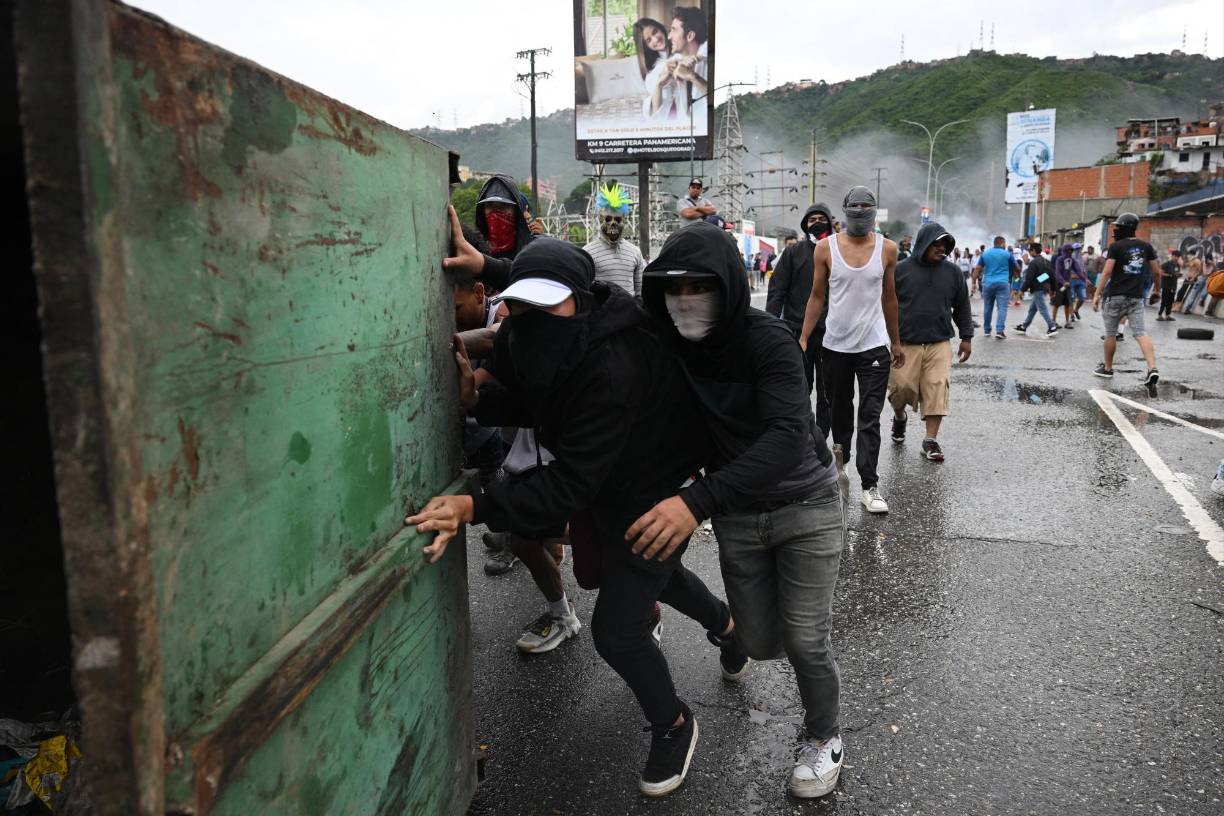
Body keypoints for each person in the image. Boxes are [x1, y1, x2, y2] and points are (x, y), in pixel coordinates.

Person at [408, 238, 745, 798]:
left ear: (581, 301)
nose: (534, 317)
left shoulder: (613, 363)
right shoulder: (533, 334)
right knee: (655, 574)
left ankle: (674, 724)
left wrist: (476, 506)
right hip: (611, 476)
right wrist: (479, 401)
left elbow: (567, 485)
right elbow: (543, 400)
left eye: (550, 304)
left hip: (660, 488)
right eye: (523, 305)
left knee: (617, 630)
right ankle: (728, 627)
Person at [634, 221, 848, 800]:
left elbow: (786, 438)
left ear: (728, 285)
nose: (686, 301)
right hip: (739, 515)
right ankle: (741, 637)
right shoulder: (668, 338)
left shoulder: (769, 341)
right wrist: (501, 274)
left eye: (699, 287)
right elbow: (597, 312)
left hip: (806, 505)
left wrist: (695, 501)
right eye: (674, 289)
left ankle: (823, 735)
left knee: (805, 640)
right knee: (757, 642)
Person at [799, 185, 903, 515]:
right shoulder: (825, 248)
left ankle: (870, 486)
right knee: (839, 410)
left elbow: (890, 298)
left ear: (874, 212)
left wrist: (896, 341)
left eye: (866, 208)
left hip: (873, 345)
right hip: (836, 345)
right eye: (854, 207)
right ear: (843, 212)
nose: (860, 213)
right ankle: (839, 467)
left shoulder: (887, 249)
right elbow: (817, 296)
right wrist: (804, 337)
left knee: (870, 416)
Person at [888, 223, 973, 462]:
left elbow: (962, 305)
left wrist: (966, 337)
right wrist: (891, 340)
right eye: (936, 244)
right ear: (923, 243)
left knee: (937, 387)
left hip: (939, 342)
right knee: (900, 389)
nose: (942, 248)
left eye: (945, 244)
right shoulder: (900, 270)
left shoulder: (953, 272)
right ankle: (900, 418)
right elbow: (886, 305)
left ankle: (930, 440)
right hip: (905, 343)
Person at [767, 203, 836, 433]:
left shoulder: (838, 252)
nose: (817, 223)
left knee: (828, 392)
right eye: (811, 220)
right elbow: (777, 290)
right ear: (805, 225)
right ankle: (803, 435)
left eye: (821, 219)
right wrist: (771, 326)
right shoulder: (793, 253)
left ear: (830, 222)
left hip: (830, 335)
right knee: (799, 389)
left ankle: (822, 437)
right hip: (797, 333)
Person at [1091, 212, 1160, 390]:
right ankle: (1152, 368)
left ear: (1124, 228)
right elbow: (1156, 272)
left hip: (1114, 296)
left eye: (1118, 226)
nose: (1116, 229)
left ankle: (1108, 368)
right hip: (1136, 297)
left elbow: (1107, 272)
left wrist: (1097, 294)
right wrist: (1157, 291)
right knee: (1140, 333)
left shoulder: (1116, 247)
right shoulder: (1146, 247)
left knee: (1110, 333)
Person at [584, 182, 645, 297]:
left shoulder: (635, 252)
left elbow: (640, 292)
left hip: (629, 308)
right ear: (600, 220)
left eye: (618, 220)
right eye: (608, 219)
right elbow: (584, 292)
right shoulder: (587, 253)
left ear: (624, 220)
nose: (613, 224)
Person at [974, 236, 1021, 339]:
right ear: (1002, 243)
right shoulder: (1007, 254)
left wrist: (974, 283)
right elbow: (1017, 267)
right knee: (1002, 308)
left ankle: (987, 330)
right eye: (1005, 243)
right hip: (1003, 283)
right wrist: (1017, 275)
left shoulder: (985, 254)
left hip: (987, 283)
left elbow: (977, 268)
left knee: (987, 307)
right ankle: (999, 331)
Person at [1014, 241, 1060, 337]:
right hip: (1044, 288)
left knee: (1042, 308)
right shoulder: (1046, 262)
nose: (1029, 253)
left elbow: (1029, 279)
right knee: (1032, 309)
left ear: (1034, 251)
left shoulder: (1033, 263)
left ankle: (1052, 327)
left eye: (1030, 251)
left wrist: (1022, 290)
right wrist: (1053, 289)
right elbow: (1052, 276)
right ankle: (1024, 326)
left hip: (1038, 289)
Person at [1050, 243, 1079, 328]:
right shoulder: (1058, 258)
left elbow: (1070, 271)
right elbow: (1056, 272)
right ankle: (1053, 322)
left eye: (1071, 250)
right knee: (1057, 304)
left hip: (1067, 284)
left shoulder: (1070, 259)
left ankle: (1067, 322)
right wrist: (1063, 282)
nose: (1069, 252)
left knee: (1067, 303)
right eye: (1068, 250)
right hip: (1059, 283)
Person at [1156, 249, 1182, 321]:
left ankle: (1168, 315)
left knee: (1171, 301)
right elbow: (1160, 273)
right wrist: (1169, 275)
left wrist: (1178, 275)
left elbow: (1176, 273)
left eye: (1178, 257)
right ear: (1172, 256)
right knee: (1164, 301)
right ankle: (1160, 315)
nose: (1176, 258)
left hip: (1173, 285)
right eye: (1175, 256)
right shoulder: (1166, 264)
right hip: (1166, 285)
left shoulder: (1177, 265)